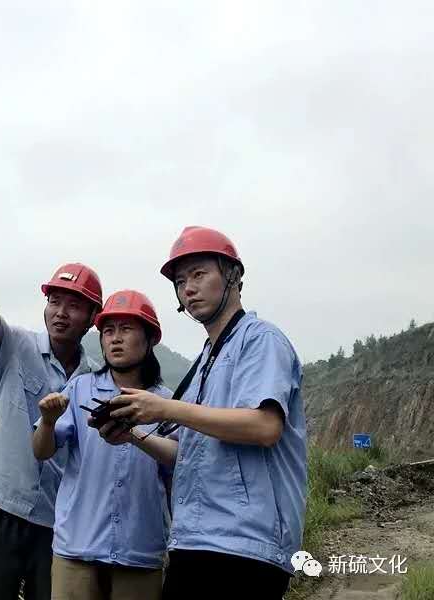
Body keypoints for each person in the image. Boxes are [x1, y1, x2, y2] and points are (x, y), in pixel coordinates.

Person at [106, 226, 308, 599]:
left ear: (232, 274)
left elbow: (265, 427)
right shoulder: (204, 362)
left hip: (247, 545)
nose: (189, 289)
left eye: (199, 274)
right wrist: (132, 435)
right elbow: (186, 454)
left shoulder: (261, 340)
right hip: (194, 538)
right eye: (180, 282)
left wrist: (166, 408)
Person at [0, 228, 103, 600]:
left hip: (55, 519)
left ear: (93, 317)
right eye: (55, 301)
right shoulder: (16, 346)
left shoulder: (93, 379)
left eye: (74, 305)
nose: (61, 313)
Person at [32, 290, 174, 600]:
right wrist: (48, 422)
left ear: (150, 338)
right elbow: (41, 451)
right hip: (76, 548)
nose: (115, 339)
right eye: (108, 331)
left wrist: (135, 437)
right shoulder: (79, 389)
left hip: (140, 551)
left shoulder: (166, 403)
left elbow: (178, 465)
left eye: (126, 329)